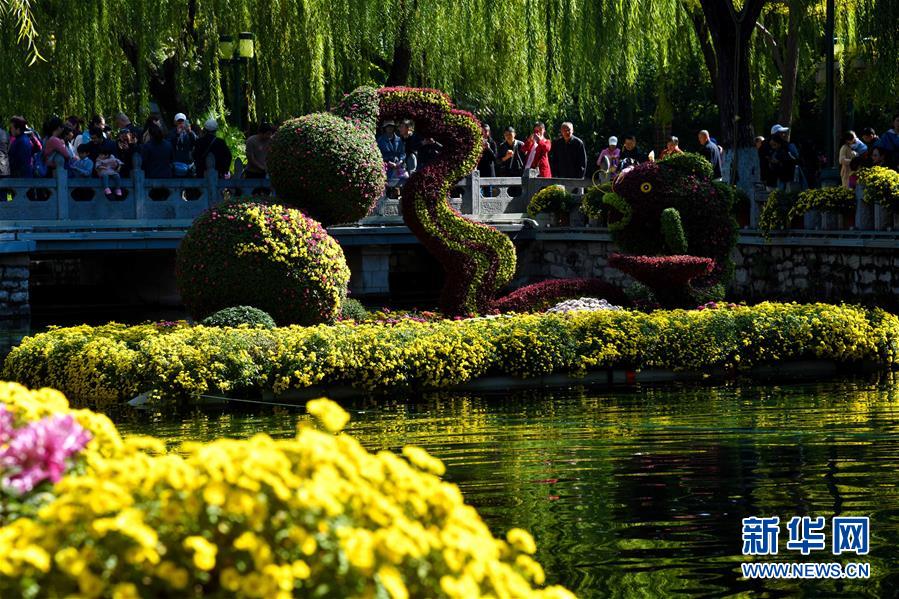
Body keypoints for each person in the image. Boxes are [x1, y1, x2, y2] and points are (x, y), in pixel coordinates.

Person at [377, 121, 406, 189]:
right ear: (385, 128)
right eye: (388, 126)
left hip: (398, 165)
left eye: (391, 126)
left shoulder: (399, 139)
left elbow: (402, 153)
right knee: (385, 183)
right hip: (385, 166)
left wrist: (400, 161)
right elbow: (379, 154)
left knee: (405, 179)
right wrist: (387, 162)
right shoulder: (380, 140)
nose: (390, 128)